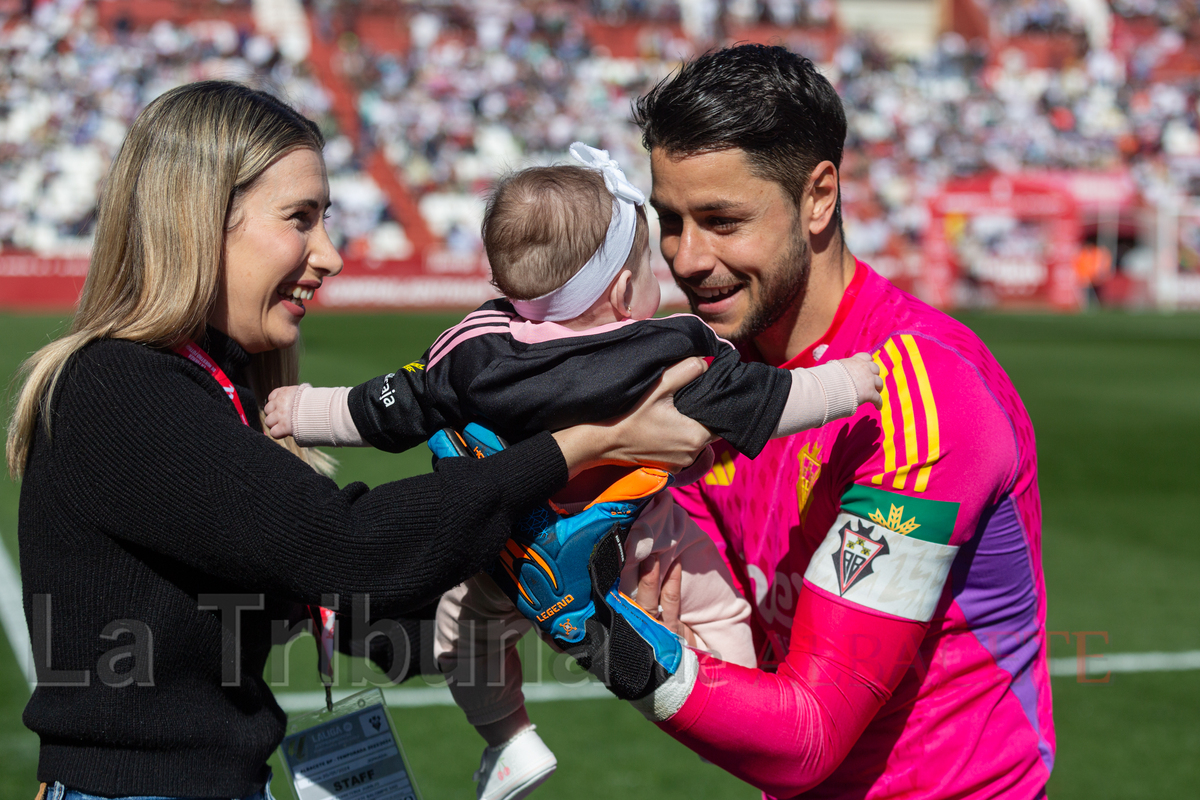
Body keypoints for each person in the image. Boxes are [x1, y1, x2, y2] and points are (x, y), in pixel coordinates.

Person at [5, 81, 712, 800]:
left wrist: (544, 596)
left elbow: (355, 610)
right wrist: (583, 443)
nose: (331, 255)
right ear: (198, 221)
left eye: (327, 220)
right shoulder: (119, 386)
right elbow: (350, 551)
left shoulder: (205, 381)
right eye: (300, 219)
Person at [496, 45, 1053, 799]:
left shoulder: (919, 400)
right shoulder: (702, 376)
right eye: (670, 221)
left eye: (722, 221)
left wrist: (598, 632)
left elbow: (805, 738)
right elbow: (720, 660)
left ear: (818, 198)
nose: (687, 258)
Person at [263, 143, 882, 800]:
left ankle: (510, 740)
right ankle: (743, 720)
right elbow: (773, 400)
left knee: (463, 633)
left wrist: (303, 409)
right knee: (717, 605)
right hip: (646, 539)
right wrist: (849, 381)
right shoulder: (668, 349)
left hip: (508, 551)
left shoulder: (475, 351)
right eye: (644, 267)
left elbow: (385, 408)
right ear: (621, 289)